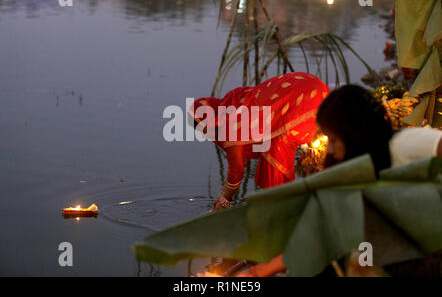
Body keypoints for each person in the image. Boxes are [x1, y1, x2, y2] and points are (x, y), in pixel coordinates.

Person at [236, 84, 442, 277]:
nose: (330, 149)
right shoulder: (353, 171)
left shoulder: (401, 145)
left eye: (333, 140)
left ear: (354, 133)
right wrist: (259, 272)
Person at [189, 72, 330, 211]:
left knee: (275, 148)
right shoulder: (233, 100)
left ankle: (281, 207)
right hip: (314, 87)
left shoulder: (230, 128)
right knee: (314, 153)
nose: (207, 135)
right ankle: (319, 197)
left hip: (303, 100)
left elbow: (236, 170)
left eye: (204, 130)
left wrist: (224, 199)